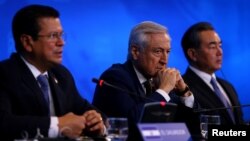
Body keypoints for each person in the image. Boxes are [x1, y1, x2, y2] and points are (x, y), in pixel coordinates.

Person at [0, 4, 106, 141]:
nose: (61, 43)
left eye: (61, 35)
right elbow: (3, 122)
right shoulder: (4, 74)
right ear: (27, 42)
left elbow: (89, 110)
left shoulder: (61, 75)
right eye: (52, 36)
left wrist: (96, 122)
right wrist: (58, 125)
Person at [92, 21, 196, 140]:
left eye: (167, 52)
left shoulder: (158, 79)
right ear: (135, 52)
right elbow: (132, 127)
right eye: (157, 51)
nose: (165, 60)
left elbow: (192, 128)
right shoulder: (115, 77)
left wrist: (184, 93)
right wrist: (163, 90)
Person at [181, 22, 244, 126]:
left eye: (220, 45)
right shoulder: (182, 89)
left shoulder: (228, 87)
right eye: (212, 46)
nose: (220, 52)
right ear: (193, 54)